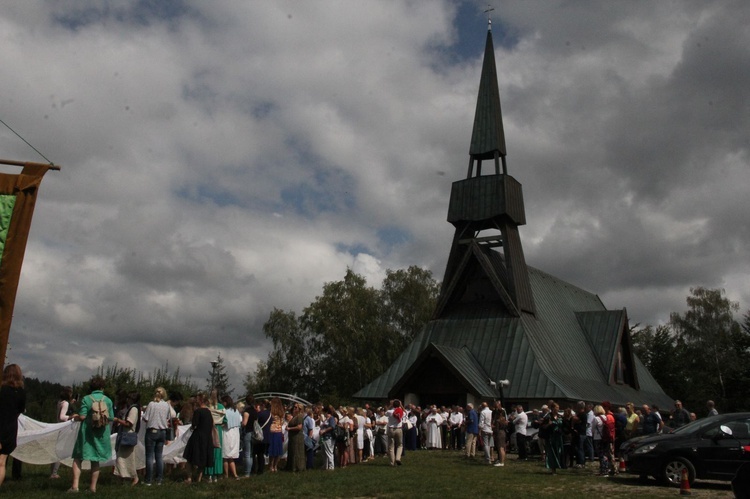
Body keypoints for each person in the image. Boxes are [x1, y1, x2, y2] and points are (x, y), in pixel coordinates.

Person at [70, 375, 114, 493]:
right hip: (101, 434)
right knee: (95, 461)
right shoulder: (108, 400)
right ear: (102, 387)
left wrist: (75, 417)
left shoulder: (86, 399)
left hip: (86, 434)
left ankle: (75, 486)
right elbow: (111, 418)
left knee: (78, 458)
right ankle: (92, 487)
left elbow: (83, 416)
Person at [0, 364, 26, 489]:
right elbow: (21, 410)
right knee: (2, 462)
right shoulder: (21, 392)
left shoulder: (2, 390)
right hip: (10, 429)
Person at [142, 386, 171, 486]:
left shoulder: (151, 404)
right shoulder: (166, 405)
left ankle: (148, 479)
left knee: (149, 456)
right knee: (159, 456)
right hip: (162, 431)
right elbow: (168, 417)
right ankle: (159, 479)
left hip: (152, 430)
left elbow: (146, 418)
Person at [183, 392, 214, 483]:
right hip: (207, 437)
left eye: (197, 399)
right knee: (203, 458)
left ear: (200, 400)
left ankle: (189, 477)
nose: (196, 400)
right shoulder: (209, 412)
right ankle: (199, 478)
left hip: (197, 437)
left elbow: (194, 424)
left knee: (190, 457)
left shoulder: (198, 411)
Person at [113, 391, 141, 486]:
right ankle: (121, 477)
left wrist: (118, 420)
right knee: (121, 458)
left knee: (125, 458)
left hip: (127, 435)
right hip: (125, 435)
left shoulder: (133, 409)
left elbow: (129, 423)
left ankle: (134, 477)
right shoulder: (132, 408)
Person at [49, 386, 74, 479]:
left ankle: (53, 471)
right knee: (59, 451)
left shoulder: (60, 402)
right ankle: (54, 473)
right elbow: (62, 417)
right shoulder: (66, 403)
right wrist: (72, 416)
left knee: (57, 450)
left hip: (59, 427)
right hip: (64, 428)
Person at [205, 390, 226, 481]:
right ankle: (216, 474)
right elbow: (225, 420)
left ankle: (209, 474)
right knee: (218, 451)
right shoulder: (221, 407)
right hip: (218, 429)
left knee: (209, 451)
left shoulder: (207, 407)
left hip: (209, 429)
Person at [221, 395, 241, 479]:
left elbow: (223, 422)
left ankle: (226, 474)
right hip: (235, 434)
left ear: (225, 402)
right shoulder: (236, 411)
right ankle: (235, 474)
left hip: (227, 433)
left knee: (225, 456)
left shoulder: (225, 411)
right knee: (231, 456)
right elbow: (240, 420)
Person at [541, 402, 563, 474]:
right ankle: (553, 469)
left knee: (558, 452)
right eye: (556, 408)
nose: (557, 409)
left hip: (558, 437)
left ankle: (558, 466)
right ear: (553, 408)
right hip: (550, 437)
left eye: (558, 408)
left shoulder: (560, 416)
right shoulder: (548, 417)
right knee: (551, 453)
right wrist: (548, 424)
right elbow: (543, 427)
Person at [241, 395, 258, 477]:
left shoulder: (247, 411)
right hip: (254, 433)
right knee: (251, 453)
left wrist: (241, 424)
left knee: (247, 453)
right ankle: (251, 470)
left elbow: (245, 423)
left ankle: (247, 472)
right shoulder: (255, 411)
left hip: (247, 432)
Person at [286, 403, 306, 472]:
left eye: (296, 407)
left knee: (297, 452)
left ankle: (298, 467)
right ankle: (291, 466)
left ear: (299, 409)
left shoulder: (300, 416)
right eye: (294, 407)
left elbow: (299, 427)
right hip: (292, 437)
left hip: (297, 437)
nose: (294, 408)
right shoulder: (294, 416)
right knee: (292, 451)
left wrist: (290, 429)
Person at [267, 398, 285, 472]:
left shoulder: (271, 412)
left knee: (272, 450)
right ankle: (275, 466)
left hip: (272, 431)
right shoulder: (281, 412)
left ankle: (271, 465)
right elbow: (282, 422)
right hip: (279, 431)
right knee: (278, 449)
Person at [386, 399, 404, 466]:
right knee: (399, 445)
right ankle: (398, 458)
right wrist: (401, 405)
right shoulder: (401, 411)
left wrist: (390, 405)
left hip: (391, 429)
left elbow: (386, 412)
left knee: (391, 446)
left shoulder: (389, 412)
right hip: (398, 429)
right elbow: (405, 413)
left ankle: (392, 462)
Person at [319, 405, 337, 470]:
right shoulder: (326, 419)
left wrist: (324, 430)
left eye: (324, 412)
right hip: (324, 437)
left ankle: (331, 466)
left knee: (329, 452)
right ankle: (325, 466)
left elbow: (332, 426)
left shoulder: (331, 418)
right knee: (324, 452)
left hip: (329, 437)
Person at [492, 401, 507, 467]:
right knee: (500, 447)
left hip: (500, 432)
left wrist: (494, 427)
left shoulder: (500, 420)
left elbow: (500, 410)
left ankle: (501, 462)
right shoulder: (501, 420)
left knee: (501, 447)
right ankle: (500, 460)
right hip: (501, 432)